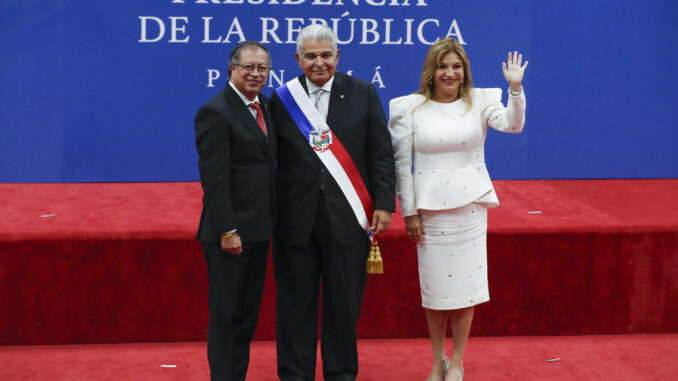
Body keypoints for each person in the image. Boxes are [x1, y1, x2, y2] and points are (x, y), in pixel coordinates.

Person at [388, 38, 528, 381]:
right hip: (429, 212)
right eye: (442, 66)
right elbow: (400, 164)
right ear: (431, 72)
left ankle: (459, 362)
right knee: (435, 291)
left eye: (456, 66)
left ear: (464, 70)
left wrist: (515, 89)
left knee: (465, 290)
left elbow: (513, 124)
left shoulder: (481, 101)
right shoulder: (409, 107)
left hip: (470, 208)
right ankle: (438, 361)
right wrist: (409, 212)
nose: (450, 73)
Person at [270, 24, 395, 381]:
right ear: (298, 59)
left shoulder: (363, 93)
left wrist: (384, 203)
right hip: (295, 218)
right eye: (311, 56)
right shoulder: (282, 99)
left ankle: (340, 373)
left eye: (326, 55)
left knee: (343, 303)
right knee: (295, 303)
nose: (319, 62)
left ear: (338, 57)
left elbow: (380, 154)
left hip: (349, 218)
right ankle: (295, 374)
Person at [194, 40, 276, 381]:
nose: (256, 74)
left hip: (259, 231)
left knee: (245, 318)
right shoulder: (216, 111)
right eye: (249, 67)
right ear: (232, 69)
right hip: (229, 236)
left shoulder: (265, 107)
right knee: (226, 317)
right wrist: (227, 230)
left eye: (262, 68)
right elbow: (214, 178)